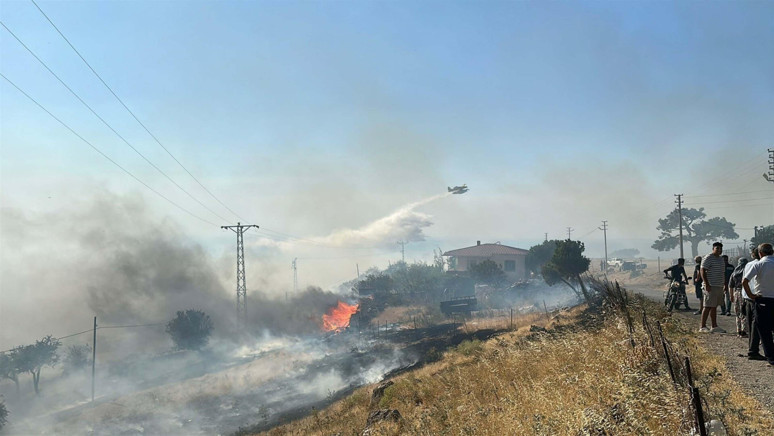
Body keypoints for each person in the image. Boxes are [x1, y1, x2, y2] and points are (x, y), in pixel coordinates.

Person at [742, 243, 774, 366]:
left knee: (764, 330)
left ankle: (771, 356)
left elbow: (745, 281)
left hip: (763, 299)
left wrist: (751, 295)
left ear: (760, 253)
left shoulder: (759, 264)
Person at [699, 242, 728, 333]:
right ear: (713, 249)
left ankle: (714, 326)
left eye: (720, 249)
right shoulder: (708, 257)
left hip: (719, 285)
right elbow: (702, 270)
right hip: (710, 285)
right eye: (717, 248)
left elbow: (723, 272)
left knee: (714, 306)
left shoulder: (720, 259)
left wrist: (724, 284)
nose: (719, 250)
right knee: (707, 305)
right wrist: (706, 284)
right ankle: (702, 326)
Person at [742, 247, 762, 359]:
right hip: (756, 297)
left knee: (751, 324)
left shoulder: (748, 264)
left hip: (748, 297)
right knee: (757, 325)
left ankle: (752, 348)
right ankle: (753, 350)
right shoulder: (761, 265)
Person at [728, 258, 749, 337]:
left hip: (736, 293)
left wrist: (731, 296)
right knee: (744, 312)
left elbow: (730, 286)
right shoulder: (747, 272)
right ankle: (744, 331)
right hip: (745, 292)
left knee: (737, 313)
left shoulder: (734, 273)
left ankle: (738, 330)